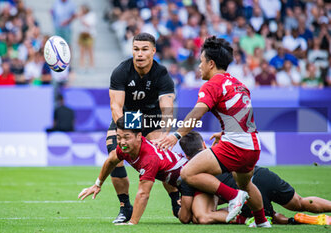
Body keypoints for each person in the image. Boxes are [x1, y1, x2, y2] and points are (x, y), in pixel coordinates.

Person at [157, 36, 271, 227]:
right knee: (246, 184)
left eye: (201, 62)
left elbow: (197, 113)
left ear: (211, 63)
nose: (199, 66)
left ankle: (234, 197)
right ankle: (261, 221)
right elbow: (241, 117)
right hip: (252, 145)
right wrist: (225, 133)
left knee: (188, 173)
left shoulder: (212, 84)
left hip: (236, 146)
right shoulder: (239, 84)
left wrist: (176, 135)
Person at [178, 131, 331, 225]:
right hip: (261, 175)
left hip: (246, 191)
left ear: (186, 155)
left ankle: (278, 219)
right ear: (204, 145)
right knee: (300, 202)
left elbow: (189, 216)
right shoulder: (218, 151)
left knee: (215, 213)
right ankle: (285, 217)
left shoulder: (192, 172)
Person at [106, 33, 175, 223]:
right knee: (114, 154)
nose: (140, 54)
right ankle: (124, 207)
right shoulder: (121, 71)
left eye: (145, 49)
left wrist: (165, 134)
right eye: (136, 49)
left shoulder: (162, 74)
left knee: (161, 152)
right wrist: (125, 135)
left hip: (152, 118)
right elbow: (115, 107)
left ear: (153, 51)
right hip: (127, 118)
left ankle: (175, 199)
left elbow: (167, 109)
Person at [78, 117, 189, 225]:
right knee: (185, 217)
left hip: (192, 183)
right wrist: (97, 184)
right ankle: (179, 203)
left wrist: (132, 223)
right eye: (119, 137)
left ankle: (182, 202)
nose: (122, 142)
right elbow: (111, 161)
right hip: (183, 186)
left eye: (127, 137)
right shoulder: (124, 149)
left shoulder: (149, 157)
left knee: (200, 218)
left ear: (139, 136)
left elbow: (143, 194)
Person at [77, 4, 96, 70]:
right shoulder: (82, 16)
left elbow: (89, 25)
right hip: (82, 34)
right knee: (82, 51)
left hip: (89, 35)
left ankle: (91, 66)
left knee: (90, 51)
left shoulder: (91, 15)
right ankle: (82, 65)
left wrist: (82, 18)